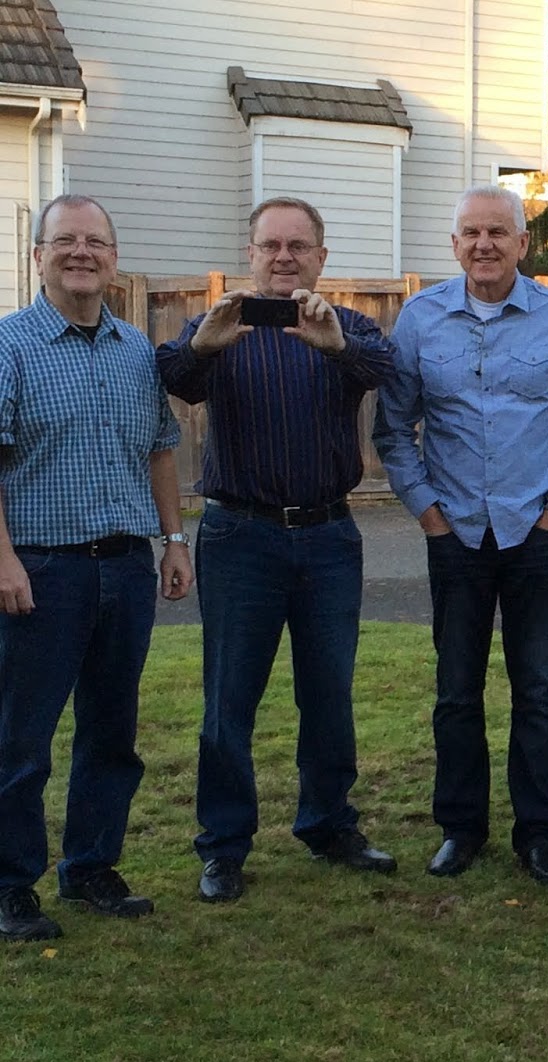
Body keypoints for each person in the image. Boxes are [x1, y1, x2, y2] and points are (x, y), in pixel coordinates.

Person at [158, 196, 397, 903]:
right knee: (230, 699)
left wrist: (337, 347)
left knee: (329, 692)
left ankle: (328, 823)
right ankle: (224, 845)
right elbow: (172, 377)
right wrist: (204, 346)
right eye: (271, 246)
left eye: (298, 246)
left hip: (328, 536)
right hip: (242, 536)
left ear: (321, 257)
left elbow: (388, 368)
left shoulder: (347, 325)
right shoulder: (221, 325)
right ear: (252, 254)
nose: (284, 257)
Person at [375, 184, 548, 886]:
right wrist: (429, 515)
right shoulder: (420, 320)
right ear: (454, 244)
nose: (484, 245)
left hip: (534, 534)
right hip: (456, 537)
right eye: (472, 233)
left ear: (522, 243)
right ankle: (461, 828)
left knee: (537, 692)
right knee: (456, 691)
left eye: (498, 232)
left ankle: (538, 834)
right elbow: (393, 430)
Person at [0, 195, 192, 941]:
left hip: (125, 568)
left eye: (96, 242)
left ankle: (91, 867)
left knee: (111, 733)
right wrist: (4, 560)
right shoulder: (10, 346)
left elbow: (161, 449)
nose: (81, 253)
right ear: (38, 256)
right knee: (21, 741)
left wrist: (173, 540)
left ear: (114, 259)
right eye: (66, 241)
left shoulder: (136, 349)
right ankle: (11, 885)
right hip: (41, 572)